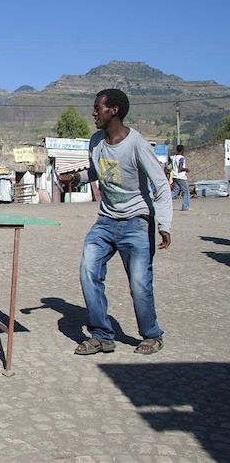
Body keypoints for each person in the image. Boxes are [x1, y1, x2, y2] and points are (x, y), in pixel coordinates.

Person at [58, 89, 172, 356]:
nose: (93, 112)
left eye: (98, 107)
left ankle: (152, 335)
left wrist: (164, 224)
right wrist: (75, 179)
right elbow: (98, 171)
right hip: (106, 220)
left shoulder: (137, 144)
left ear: (114, 110)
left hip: (137, 222)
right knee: (88, 270)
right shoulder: (96, 141)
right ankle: (102, 336)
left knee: (139, 283)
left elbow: (160, 185)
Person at [170, 144, 190, 211]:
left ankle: (165, 199)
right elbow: (180, 168)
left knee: (175, 191)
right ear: (182, 150)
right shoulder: (181, 158)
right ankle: (185, 207)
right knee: (186, 192)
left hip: (175, 176)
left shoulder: (174, 157)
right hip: (181, 177)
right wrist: (186, 169)